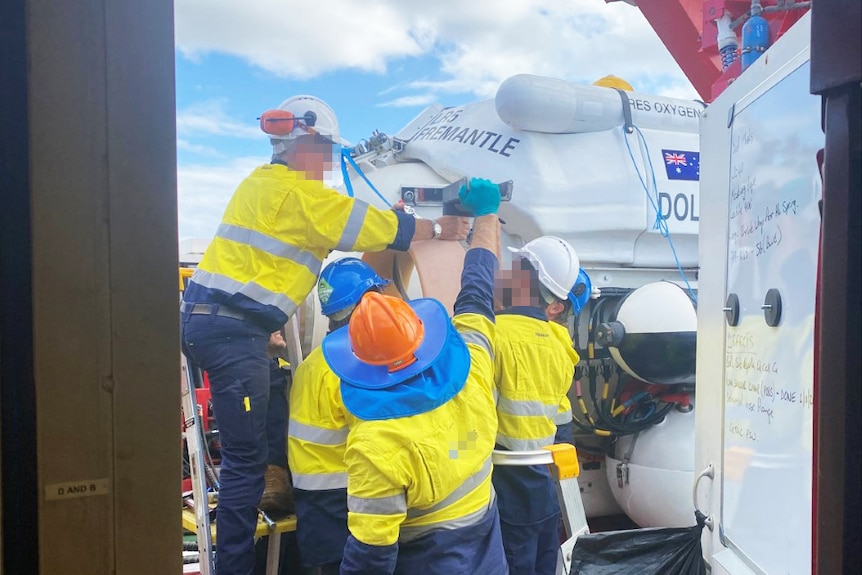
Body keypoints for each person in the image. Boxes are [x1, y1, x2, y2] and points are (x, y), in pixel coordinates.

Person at [180, 94, 470, 575]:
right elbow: (367, 226)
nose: (329, 162)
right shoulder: (297, 194)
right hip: (232, 332)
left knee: (272, 391)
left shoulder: (263, 184)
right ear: (305, 143)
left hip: (230, 325)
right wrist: (439, 227)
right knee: (244, 461)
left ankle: (275, 484)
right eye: (327, 151)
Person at [320, 178, 507, 575]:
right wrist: (487, 215)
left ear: (359, 365)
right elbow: (477, 285)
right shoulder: (472, 366)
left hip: (430, 560)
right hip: (487, 548)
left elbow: (371, 555)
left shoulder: (376, 447)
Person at [492, 235, 583, 575]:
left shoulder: (491, 333)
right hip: (544, 489)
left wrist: (454, 458)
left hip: (503, 489)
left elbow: (470, 423)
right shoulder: (559, 341)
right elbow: (562, 424)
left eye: (514, 268)